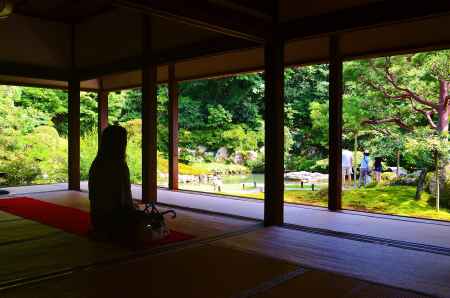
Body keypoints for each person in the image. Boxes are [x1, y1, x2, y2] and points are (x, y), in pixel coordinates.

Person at [88, 125, 135, 241]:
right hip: (114, 220)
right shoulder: (119, 165)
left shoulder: (97, 162)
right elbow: (123, 197)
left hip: (98, 219)